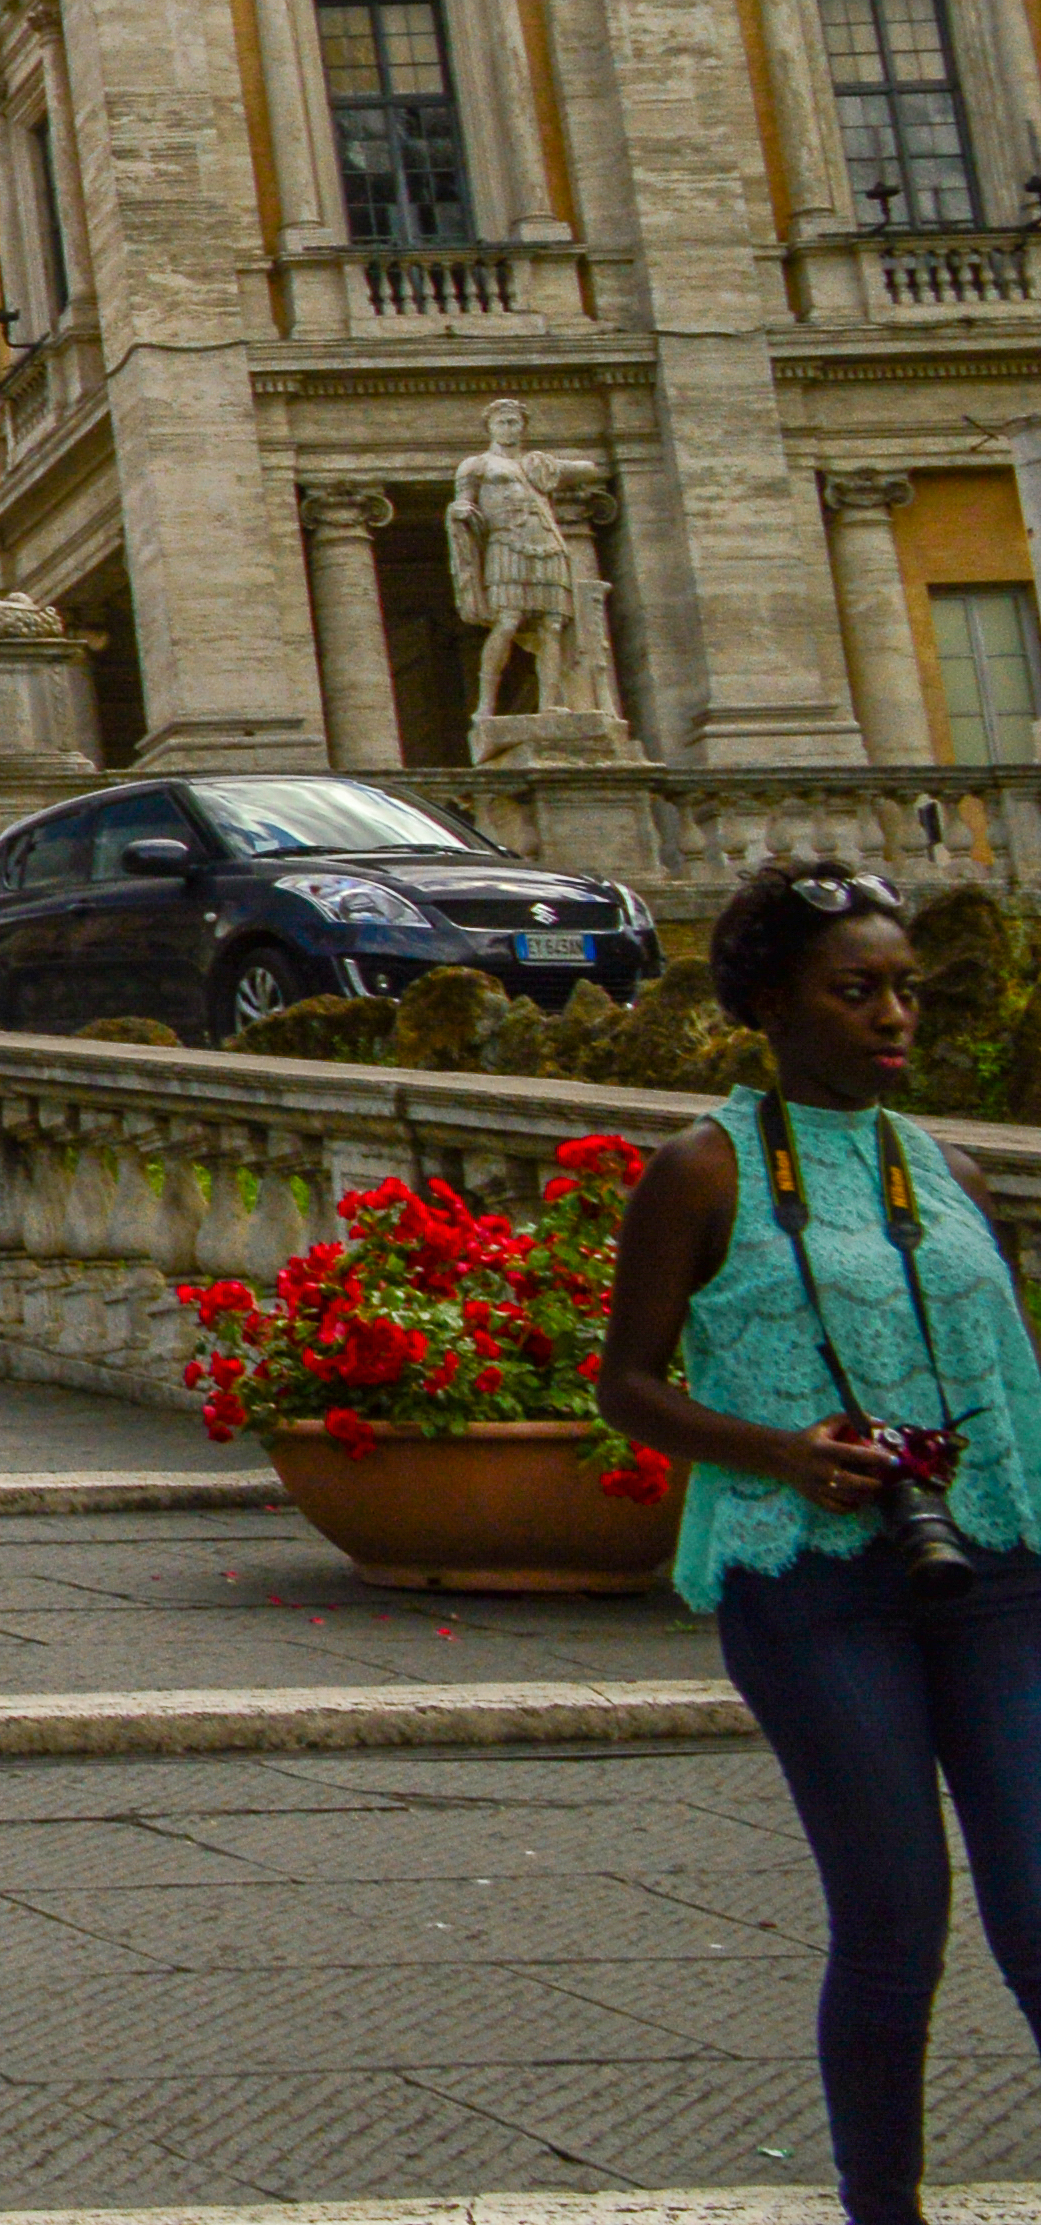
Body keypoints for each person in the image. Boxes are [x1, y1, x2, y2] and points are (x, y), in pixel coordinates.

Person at [600, 862, 1041, 2225]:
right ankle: (882, 2209)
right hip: (810, 1586)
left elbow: (1010, 1381)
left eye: (906, 989)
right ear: (772, 1004)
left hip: (995, 1576)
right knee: (898, 1922)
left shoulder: (951, 1172)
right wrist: (789, 1454)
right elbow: (627, 1382)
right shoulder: (703, 1172)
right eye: (857, 992)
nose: (893, 1017)